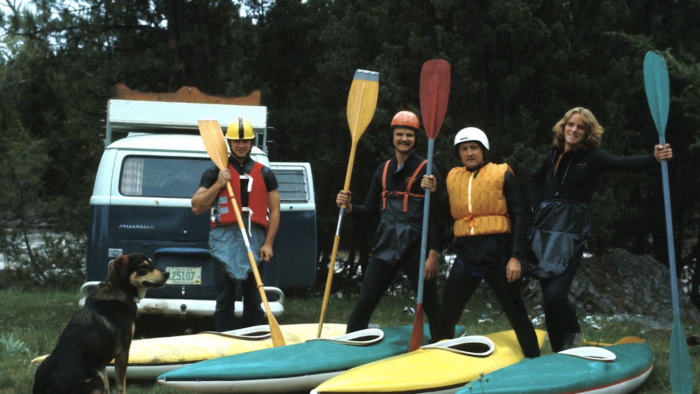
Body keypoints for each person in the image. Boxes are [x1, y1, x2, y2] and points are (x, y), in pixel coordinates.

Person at [527, 107, 673, 351]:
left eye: (580, 127)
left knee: (556, 295)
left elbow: (624, 164)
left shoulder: (594, 157)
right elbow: (534, 179)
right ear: (563, 127)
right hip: (545, 232)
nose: (574, 130)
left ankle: (573, 332)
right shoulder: (552, 154)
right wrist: (536, 208)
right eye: (570, 125)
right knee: (548, 299)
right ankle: (558, 352)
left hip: (572, 233)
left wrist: (654, 159)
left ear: (587, 133)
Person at [422, 127, 541, 358]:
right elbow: (443, 215)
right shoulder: (453, 177)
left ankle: (534, 359)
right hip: (466, 255)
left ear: (484, 150)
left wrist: (516, 257)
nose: (469, 153)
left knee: (516, 312)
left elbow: (518, 215)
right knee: (448, 313)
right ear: (459, 153)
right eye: (464, 149)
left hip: (498, 254)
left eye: (474, 148)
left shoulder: (503, 173)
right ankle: (434, 361)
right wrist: (435, 193)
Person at [336, 110, 443, 339]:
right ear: (392, 136)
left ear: (416, 138)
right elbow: (369, 211)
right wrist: (350, 207)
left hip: (417, 245)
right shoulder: (383, 170)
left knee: (430, 302)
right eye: (400, 134)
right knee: (365, 300)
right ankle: (349, 345)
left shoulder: (428, 170)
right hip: (386, 243)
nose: (404, 139)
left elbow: (439, 216)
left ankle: (443, 345)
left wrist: (433, 254)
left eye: (409, 135)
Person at [191, 118, 281, 331]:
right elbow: (196, 206)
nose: (241, 145)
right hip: (223, 242)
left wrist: (268, 244)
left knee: (253, 301)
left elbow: (275, 210)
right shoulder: (214, 172)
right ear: (229, 143)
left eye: (246, 141)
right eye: (237, 141)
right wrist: (219, 184)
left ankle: (251, 342)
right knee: (224, 301)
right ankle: (225, 342)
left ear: (251, 142)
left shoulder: (265, 173)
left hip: (255, 240)